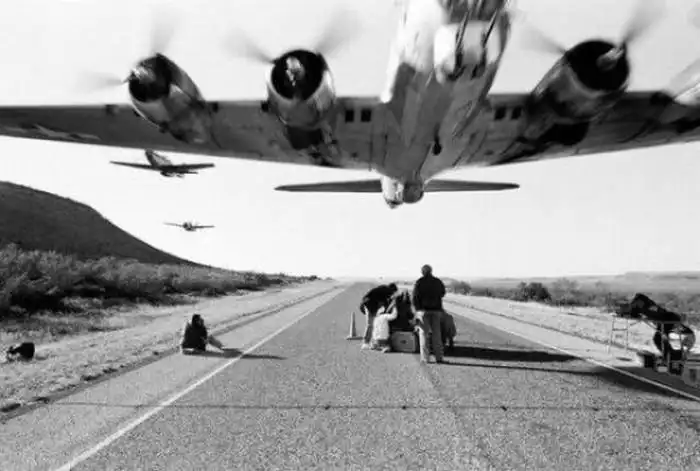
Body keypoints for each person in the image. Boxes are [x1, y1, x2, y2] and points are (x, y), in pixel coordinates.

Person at [412, 264, 447, 363]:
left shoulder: (419, 282)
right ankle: (439, 358)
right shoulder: (437, 281)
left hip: (423, 311)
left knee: (424, 334)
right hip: (436, 310)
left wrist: (416, 310)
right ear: (431, 271)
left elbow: (414, 297)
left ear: (422, 272)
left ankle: (425, 358)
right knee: (437, 334)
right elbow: (443, 293)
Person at [359, 283, 399, 350]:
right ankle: (365, 343)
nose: (393, 294)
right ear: (393, 290)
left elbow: (384, 304)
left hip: (369, 305)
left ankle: (371, 342)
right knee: (370, 325)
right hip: (369, 305)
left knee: (373, 324)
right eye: (394, 292)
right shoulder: (387, 291)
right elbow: (386, 304)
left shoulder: (383, 290)